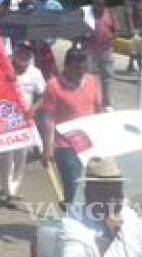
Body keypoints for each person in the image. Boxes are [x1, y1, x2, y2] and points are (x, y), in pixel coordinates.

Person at [41, 47, 104, 204]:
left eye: (84, 69)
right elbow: (48, 118)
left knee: (93, 187)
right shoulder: (53, 86)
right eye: (77, 70)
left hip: (90, 143)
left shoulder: (93, 82)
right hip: (65, 146)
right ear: (67, 66)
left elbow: (99, 111)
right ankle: (73, 219)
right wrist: (47, 147)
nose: (81, 73)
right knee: (73, 188)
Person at [59, 157, 142, 257]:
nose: (112, 202)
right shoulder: (73, 225)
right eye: (105, 195)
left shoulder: (130, 217)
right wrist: (109, 238)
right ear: (88, 195)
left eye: (117, 194)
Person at [0, 42, 45, 207]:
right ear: (15, 52)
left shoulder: (35, 73)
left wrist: (33, 109)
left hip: (25, 122)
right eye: (21, 52)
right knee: (5, 158)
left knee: (21, 158)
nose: (24, 55)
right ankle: (7, 192)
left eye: (28, 53)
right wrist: (6, 80)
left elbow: (42, 95)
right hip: (4, 121)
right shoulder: (3, 67)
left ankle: (14, 189)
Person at [84, 0, 119, 109]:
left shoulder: (110, 14)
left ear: (105, 5)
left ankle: (107, 102)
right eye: (95, 3)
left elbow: (116, 30)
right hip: (90, 49)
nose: (96, 6)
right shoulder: (87, 14)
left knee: (107, 77)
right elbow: (79, 30)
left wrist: (111, 39)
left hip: (106, 49)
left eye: (99, 4)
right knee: (89, 76)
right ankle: (91, 100)